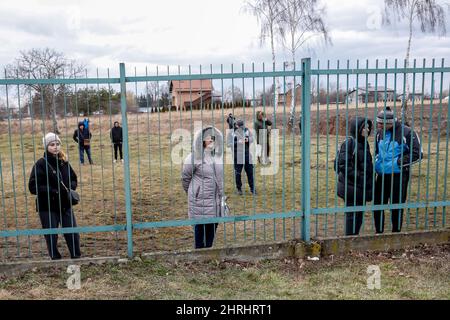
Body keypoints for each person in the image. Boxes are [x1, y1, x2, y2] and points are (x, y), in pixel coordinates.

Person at [28, 133, 81, 260]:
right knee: (51, 234)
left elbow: (73, 178)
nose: (55, 147)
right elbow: (33, 186)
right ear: (46, 147)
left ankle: (76, 254)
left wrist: (70, 187)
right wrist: (52, 191)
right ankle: (55, 257)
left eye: (57, 144)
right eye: (52, 145)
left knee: (72, 230)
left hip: (65, 203)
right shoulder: (40, 164)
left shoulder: (64, 162)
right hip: (47, 205)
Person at [373, 107, 422, 233]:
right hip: (381, 176)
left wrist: (398, 163)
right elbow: (377, 151)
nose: (377, 125)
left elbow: (417, 154)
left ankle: (396, 232)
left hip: (398, 176)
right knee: (378, 205)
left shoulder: (407, 133)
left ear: (388, 123)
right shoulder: (379, 133)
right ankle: (378, 232)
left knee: (397, 206)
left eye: (380, 123)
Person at [182, 126, 224, 249]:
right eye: (207, 137)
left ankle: (209, 254)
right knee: (200, 235)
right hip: (200, 202)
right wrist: (194, 193)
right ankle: (199, 257)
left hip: (215, 201)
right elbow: (185, 178)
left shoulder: (217, 156)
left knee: (211, 232)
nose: (211, 139)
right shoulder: (193, 157)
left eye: (213, 137)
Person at [336, 118, 374, 236]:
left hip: (361, 187)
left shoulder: (364, 142)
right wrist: (360, 177)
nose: (367, 130)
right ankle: (349, 240)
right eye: (364, 127)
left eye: (368, 127)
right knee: (352, 216)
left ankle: (355, 238)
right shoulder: (349, 143)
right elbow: (343, 165)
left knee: (359, 214)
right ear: (357, 128)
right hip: (351, 186)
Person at [228, 119, 256, 195]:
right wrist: (238, 142)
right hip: (237, 155)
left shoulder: (246, 130)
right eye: (240, 126)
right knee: (238, 173)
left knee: (250, 172)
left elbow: (252, 138)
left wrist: (247, 140)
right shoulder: (231, 132)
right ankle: (239, 189)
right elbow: (229, 143)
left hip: (247, 154)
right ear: (236, 125)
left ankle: (253, 189)